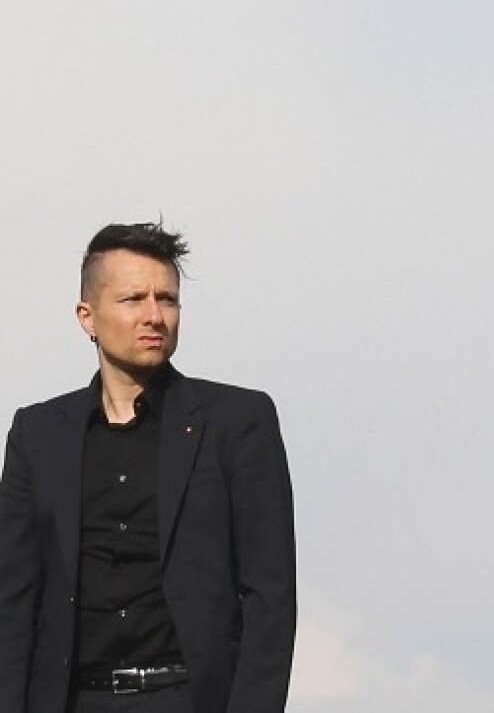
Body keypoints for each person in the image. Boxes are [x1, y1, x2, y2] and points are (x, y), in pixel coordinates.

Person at [0, 223, 296, 712]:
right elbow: (13, 600)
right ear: (87, 316)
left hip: (187, 697)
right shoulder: (38, 435)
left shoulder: (238, 422)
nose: (155, 316)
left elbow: (271, 595)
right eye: (133, 299)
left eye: (168, 300)